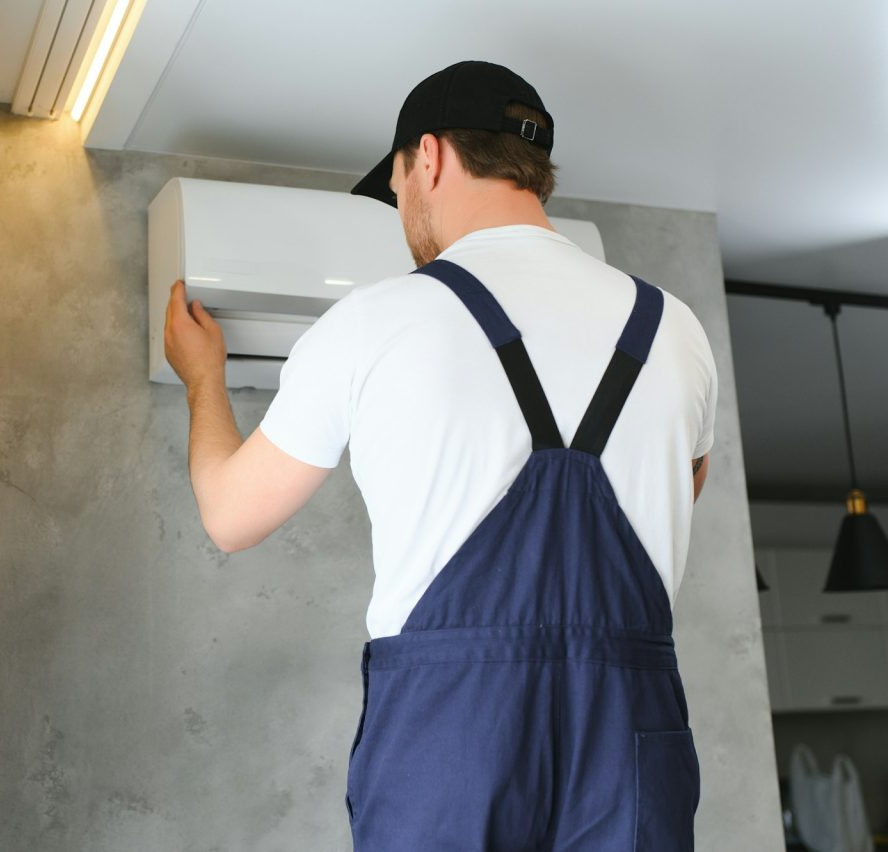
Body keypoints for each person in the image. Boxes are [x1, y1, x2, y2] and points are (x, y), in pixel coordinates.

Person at [163, 59, 716, 851]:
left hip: (451, 734)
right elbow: (682, 483)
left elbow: (229, 515)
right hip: (634, 732)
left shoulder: (377, 319)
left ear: (429, 157)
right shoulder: (676, 330)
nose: (402, 211)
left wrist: (202, 381)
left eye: (395, 188)